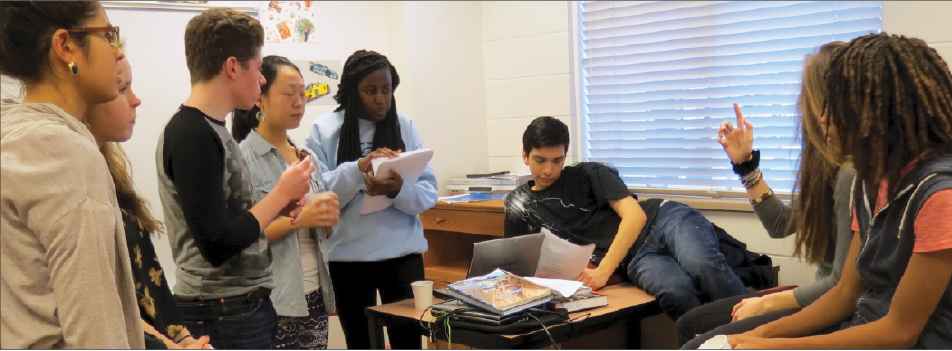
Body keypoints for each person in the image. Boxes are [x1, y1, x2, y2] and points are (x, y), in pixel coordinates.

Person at [726, 32, 952, 349]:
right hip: (861, 326)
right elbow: (846, 294)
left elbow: (900, 332)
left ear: (874, 111)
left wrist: (772, 346)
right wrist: (760, 335)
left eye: (834, 105)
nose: (821, 117)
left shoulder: (940, 196)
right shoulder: (869, 183)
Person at [677, 42, 856, 348]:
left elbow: (841, 286)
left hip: (834, 305)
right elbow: (781, 225)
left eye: (805, 93)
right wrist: (746, 166)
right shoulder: (824, 165)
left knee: (697, 344)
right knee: (690, 324)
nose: (800, 104)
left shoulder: (851, 175)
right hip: (819, 293)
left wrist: (768, 303)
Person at [155, 8, 314, 349]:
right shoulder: (193, 134)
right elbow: (216, 244)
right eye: (257, 68)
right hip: (221, 311)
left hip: (237, 308)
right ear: (232, 67)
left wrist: (278, 206)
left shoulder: (212, 129)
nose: (260, 80)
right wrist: (278, 194)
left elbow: (229, 221)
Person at [0, 1, 144, 348]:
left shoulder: (13, 132)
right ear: (65, 46)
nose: (116, 53)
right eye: (108, 35)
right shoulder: (65, 154)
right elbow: (95, 329)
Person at [505, 116, 748, 320]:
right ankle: (715, 344)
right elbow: (519, 265)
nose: (548, 169)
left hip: (664, 220)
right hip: (635, 257)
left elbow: (635, 216)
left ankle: (759, 330)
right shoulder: (518, 203)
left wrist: (602, 271)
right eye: (540, 160)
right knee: (676, 292)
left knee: (702, 265)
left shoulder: (589, 173)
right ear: (526, 156)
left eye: (557, 160)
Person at [304, 49, 438, 349]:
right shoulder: (324, 130)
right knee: (360, 342)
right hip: (347, 257)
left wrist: (397, 190)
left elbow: (428, 194)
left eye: (387, 90)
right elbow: (317, 195)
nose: (381, 99)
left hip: (402, 255)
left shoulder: (404, 125)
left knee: (408, 342)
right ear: (353, 92)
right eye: (370, 91)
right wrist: (358, 169)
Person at [83, 52, 213, 349]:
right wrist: (170, 344)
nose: (136, 99)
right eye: (121, 89)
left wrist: (183, 338)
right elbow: (103, 297)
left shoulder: (109, 171)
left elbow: (148, 281)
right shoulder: (77, 182)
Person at [233, 55, 340, 350]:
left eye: (303, 94)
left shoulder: (307, 156)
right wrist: (301, 218)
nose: (299, 103)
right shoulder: (244, 158)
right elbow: (243, 234)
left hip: (315, 294)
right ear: (260, 99)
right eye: (288, 94)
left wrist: (327, 218)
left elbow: (320, 235)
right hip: (274, 298)